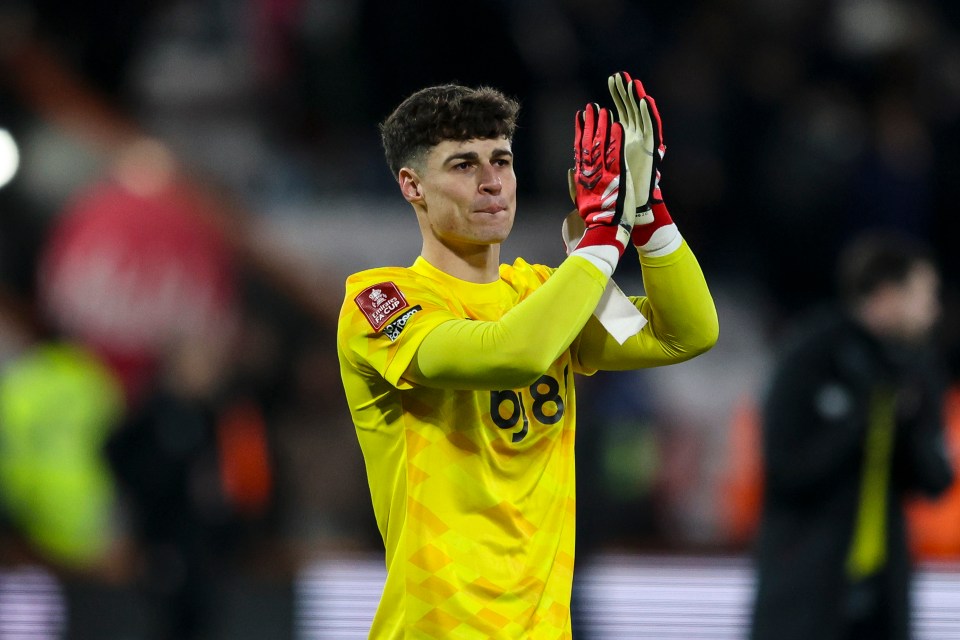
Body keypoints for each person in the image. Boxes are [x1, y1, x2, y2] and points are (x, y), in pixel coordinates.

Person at [336, 71, 718, 638]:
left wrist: (644, 214)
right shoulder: (378, 302)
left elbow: (683, 333)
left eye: (503, 161)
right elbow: (511, 354)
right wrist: (599, 237)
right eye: (464, 165)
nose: (493, 182)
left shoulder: (546, 293)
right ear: (412, 186)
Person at [750, 230, 955, 640]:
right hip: (803, 587)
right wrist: (861, 421)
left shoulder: (915, 371)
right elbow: (785, 467)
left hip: (883, 594)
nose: (933, 311)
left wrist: (906, 423)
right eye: (923, 295)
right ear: (886, 293)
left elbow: (936, 480)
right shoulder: (810, 356)